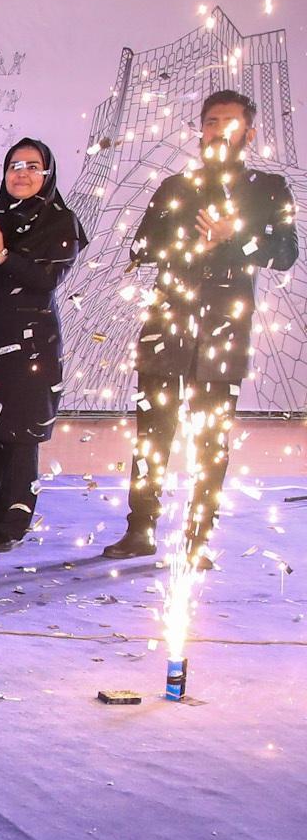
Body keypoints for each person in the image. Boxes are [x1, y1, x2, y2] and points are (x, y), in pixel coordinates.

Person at [106, 89, 300, 563]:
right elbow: (140, 248)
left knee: (211, 438)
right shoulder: (175, 186)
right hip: (167, 321)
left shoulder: (269, 189)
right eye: (212, 122)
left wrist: (237, 237)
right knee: (153, 432)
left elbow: (285, 253)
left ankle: (198, 538)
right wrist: (191, 244)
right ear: (201, 129)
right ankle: (141, 527)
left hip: (224, 330)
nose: (219, 131)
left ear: (249, 134)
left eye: (230, 124)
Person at [0, 140, 87, 553]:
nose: (21, 173)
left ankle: (12, 524)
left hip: (30, 343)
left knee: (20, 432)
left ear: (48, 173)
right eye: (14, 165)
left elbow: (47, 279)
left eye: (32, 166)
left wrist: (3, 254)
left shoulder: (61, 221)